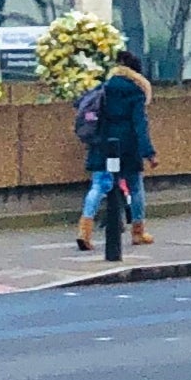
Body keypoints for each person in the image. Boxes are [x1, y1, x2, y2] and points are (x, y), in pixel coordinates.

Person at [75, 48, 157, 249]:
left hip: (103, 144)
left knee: (98, 186)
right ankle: (137, 232)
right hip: (127, 146)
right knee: (135, 187)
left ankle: (84, 231)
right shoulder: (135, 92)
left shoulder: (103, 88)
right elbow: (140, 125)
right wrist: (149, 152)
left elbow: (80, 105)